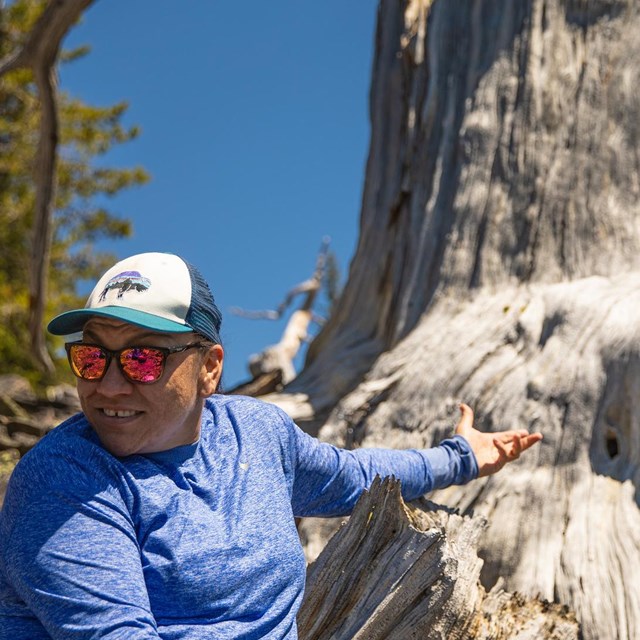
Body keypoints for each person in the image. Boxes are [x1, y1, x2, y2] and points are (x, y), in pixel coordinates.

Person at [0, 252, 542, 639]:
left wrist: (460, 457)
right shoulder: (62, 483)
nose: (108, 385)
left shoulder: (255, 435)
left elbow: (355, 475)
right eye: (91, 358)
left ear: (209, 367)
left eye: (142, 358)